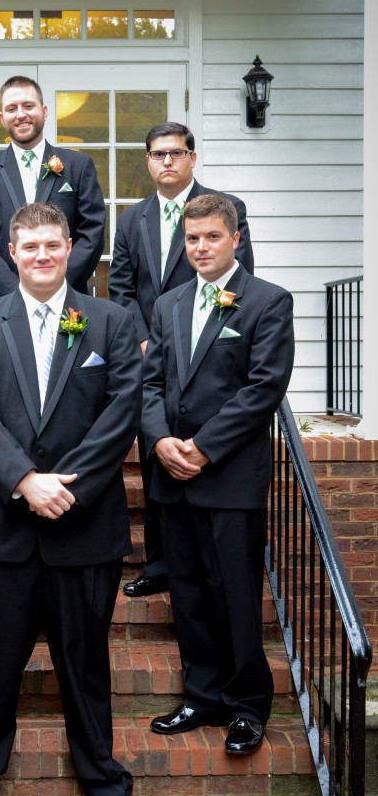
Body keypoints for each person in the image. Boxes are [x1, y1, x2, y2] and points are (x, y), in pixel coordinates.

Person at [0, 201, 144, 796]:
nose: (41, 256)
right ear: (10, 251)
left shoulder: (112, 321)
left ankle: (106, 789)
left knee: (86, 670)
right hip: (0, 530)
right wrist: (24, 481)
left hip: (84, 530)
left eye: (52, 245)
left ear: (72, 248)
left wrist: (66, 488)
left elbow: (121, 414)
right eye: (30, 247)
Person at [141, 194, 294, 756]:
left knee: (233, 593)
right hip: (172, 475)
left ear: (235, 239)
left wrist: (203, 448)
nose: (200, 248)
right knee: (187, 592)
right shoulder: (169, 304)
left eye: (211, 237)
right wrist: (159, 440)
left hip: (228, 478)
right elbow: (149, 382)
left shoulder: (267, 302)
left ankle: (247, 706)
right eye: (192, 239)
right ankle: (201, 696)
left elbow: (262, 389)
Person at [109, 121, 254, 600]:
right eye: (157, 154)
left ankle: (205, 557)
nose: (166, 161)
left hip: (211, 357)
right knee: (157, 455)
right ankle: (160, 562)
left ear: (192, 157)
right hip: (155, 356)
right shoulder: (132, 220)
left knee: (202, 452)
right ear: (148, 162)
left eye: (175, 152)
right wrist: (147, 339)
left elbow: (240, 283)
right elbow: (122, 288)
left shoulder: (226, 210)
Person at [0, 75, 105, 303]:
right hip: (2, 302)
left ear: (45, 111)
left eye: (28, 106)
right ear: (2, 118)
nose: (21, 114)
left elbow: (92, 232)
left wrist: (56, 285)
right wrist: (18, 294)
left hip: (67, 299)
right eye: (12, 108)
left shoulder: (78, 166)